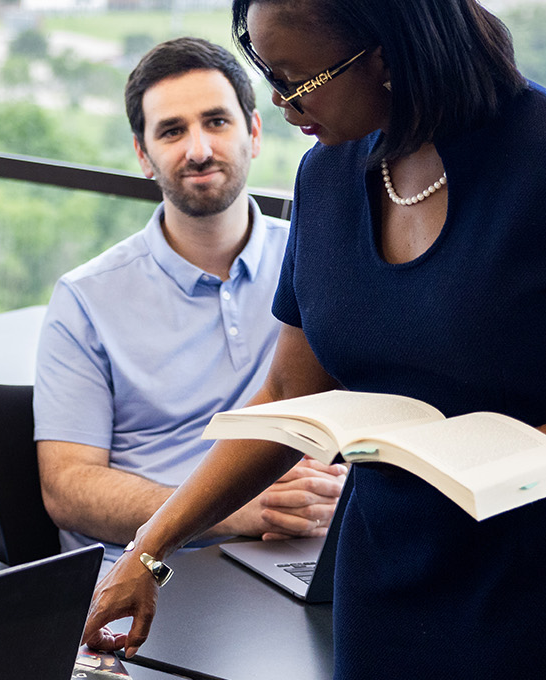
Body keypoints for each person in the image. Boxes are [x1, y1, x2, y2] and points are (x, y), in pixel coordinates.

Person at [81, 0, 546, 676]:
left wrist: (493, 462)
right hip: (386, 559)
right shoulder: (326, 176)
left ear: (383, 53)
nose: (280, 102)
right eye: (271, 75)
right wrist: (152, 545)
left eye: (297, 79)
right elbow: (292, 390)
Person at [35, 37, 344, 552]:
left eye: (217, 122)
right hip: (160, 565)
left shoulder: (318, 257)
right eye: (172, 131)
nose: (198, 150)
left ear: (254, 131)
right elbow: (67, 489)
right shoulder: (84, 298)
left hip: (304, 545)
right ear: (143, 154)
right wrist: (232, 509)